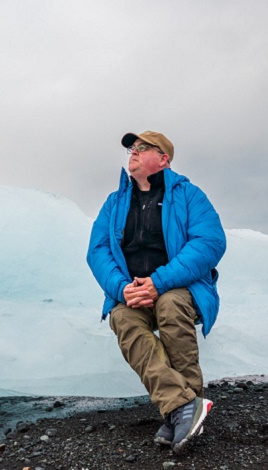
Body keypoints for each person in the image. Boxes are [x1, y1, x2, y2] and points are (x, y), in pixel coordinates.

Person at [86, 130, 226, 455]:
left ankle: (184, 412)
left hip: (179, 288)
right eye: (131, 149)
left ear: (163, 159)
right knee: (122, 318)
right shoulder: (115, 201)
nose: (132, 153)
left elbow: (210, 241)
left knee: (171, 306)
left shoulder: (188, 195)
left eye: (141, 148)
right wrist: (123, 288)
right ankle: (182, 409)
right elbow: (98, 250)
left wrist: (158, 282)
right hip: (132, 293)